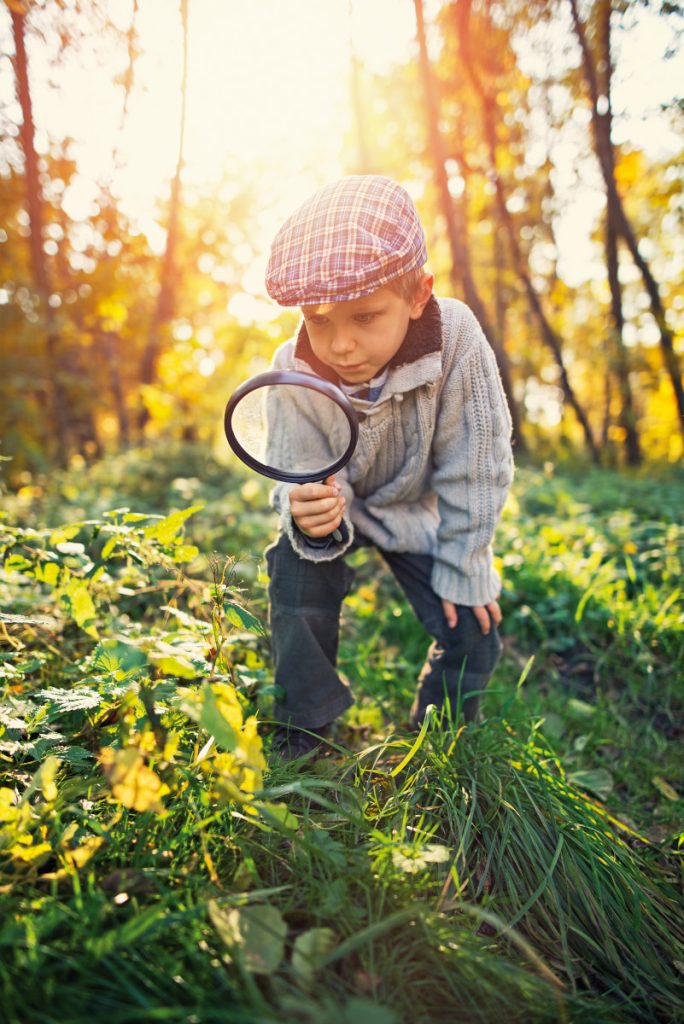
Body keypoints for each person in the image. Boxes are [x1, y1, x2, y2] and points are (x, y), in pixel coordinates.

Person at [261, 175, 514, 760]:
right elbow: (294, 466)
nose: (341, 344)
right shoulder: (291, 367)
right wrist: (306, 509)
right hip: (337, 512)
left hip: (414, 514)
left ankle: (441, 742)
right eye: (319, 320)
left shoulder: (455, 340)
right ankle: (305, 732)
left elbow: (475, 464)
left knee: (474, 632)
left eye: (365, 317)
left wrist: (466, 561)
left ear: (419, 294)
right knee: (295, 578)